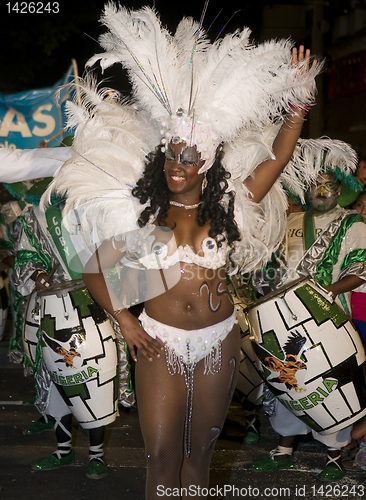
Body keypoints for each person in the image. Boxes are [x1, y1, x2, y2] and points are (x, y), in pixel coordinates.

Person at [42, 4, 324, 497]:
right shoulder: (145, 218)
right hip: (159, 341)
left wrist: (298, 102)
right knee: (161, 459)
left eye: (188, 157)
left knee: (199, 459)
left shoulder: (231, 207)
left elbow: (279, 155)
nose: (177, 163)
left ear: (207, 163)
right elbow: (94, 272)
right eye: (172, 153)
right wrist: (125, 320)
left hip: (218, 340)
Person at [250, 148, 366, 482]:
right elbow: (271, 269)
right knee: (289, 382)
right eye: (314, 185)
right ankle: (283, 449)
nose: (320, 192)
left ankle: (334, 455)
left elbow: (361, 268)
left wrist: (329, 291)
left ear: (340, 189)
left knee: (329, 385)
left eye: (328, 185)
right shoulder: (290, 221)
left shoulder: (352, 223)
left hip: (327, 318)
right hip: (283, 317)